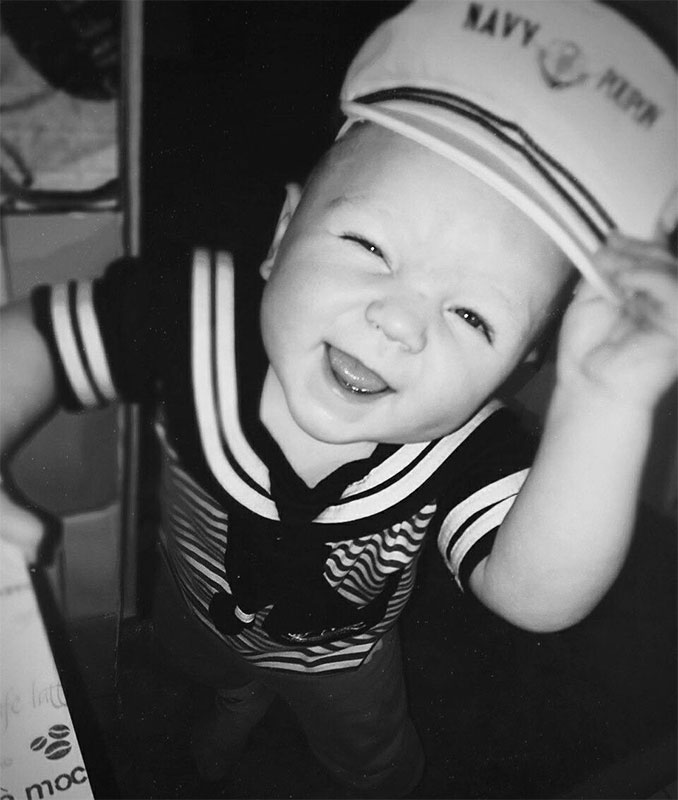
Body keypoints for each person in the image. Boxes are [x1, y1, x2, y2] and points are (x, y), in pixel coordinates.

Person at [1, 1, 676, 796]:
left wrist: (604, 399)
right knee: (207, 668)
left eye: (472, 316)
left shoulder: (469, 446)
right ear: (283, 231)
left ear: (517, 367)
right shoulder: (186, 318)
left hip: (343, 662)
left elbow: (532, 597)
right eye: (369, 245)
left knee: (366, 753)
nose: (398, 321)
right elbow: (37, 337)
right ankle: (237, 699)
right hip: (191, 599)